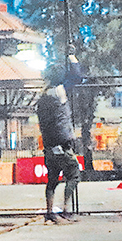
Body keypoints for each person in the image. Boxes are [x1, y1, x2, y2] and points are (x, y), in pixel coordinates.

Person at [36, 79, 80, 223]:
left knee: (52, 180)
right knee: (73, 175)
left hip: (49, 148)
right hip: (63, 146)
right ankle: (66, 209)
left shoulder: (42, 105)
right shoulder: (60, 105)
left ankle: (49, 211)